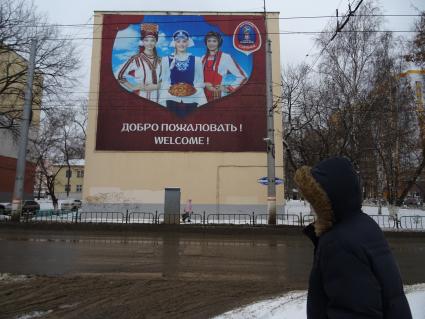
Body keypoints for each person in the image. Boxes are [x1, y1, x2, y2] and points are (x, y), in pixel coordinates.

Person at [294, 157, 412, 319]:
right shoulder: (364, 224)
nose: (312, 207)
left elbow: (352, 312)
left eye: (315, 201)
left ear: (327, 201)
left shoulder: (338, 243)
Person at [160, 30, 207, 117]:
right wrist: (172, 91)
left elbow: (199, 81)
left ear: (188, 43)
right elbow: (165, 81)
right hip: (171, 97)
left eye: (184, 41)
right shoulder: (166, 60)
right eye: (178, 41)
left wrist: (191, 91)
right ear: (174, 43)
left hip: (192, 97)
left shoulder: (197, 60)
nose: (181, 44)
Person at [117, 23, 162, 103]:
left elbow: (164, 78)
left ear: (156, 42)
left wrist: (158, 85)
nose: (149, 43)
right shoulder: (136, 59)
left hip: (159, 99)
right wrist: (132, 87)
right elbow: (120, 76)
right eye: (146, 40)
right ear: (143, 41)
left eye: (152, 40)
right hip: (141, 97)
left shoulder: (160, 60)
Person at [202, 31, 247, 102]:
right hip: (202, 97)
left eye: (214, 41)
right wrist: (204, 84)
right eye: (209, 41)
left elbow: (243, 77)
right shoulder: (202, 58)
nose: (211, 43)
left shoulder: (226, 57)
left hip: (217, 96)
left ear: (219, 43)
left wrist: (228, 88)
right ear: (206, 42)